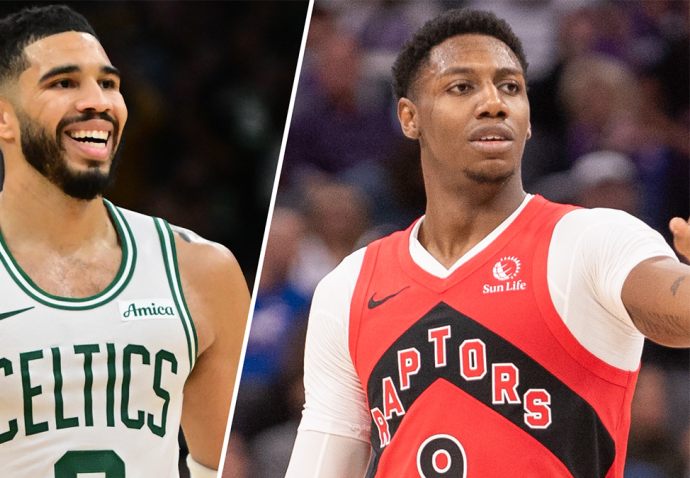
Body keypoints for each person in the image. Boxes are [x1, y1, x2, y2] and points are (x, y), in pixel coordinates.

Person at [0, 6, 249, 477]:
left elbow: (223, 464)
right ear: (0, 118)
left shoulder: (200, 270)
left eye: (109, 83)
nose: (98, 101)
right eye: (64, 83)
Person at [284, 9, 690, 478]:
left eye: (510, 87)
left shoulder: (589, 239)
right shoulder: (348, 285)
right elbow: (323, 463)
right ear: (409, 117)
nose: (494, 103)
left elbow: (676, 313)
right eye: (462, 87)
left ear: (530, 118)